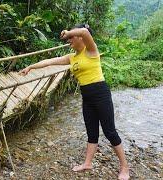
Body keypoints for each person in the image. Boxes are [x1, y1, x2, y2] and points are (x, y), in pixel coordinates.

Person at [18, 24, 130, 180]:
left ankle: (124, 167)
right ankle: (87, 163)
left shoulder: (91, 50)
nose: (69, 40)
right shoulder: (72, 57)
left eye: (71, 37)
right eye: (69, 37)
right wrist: (31, 67)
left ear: (80, 38)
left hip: (100, 93)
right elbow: (50, 61)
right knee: (91, 131)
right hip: (87, 96)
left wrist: (68, 32)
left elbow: (85, 31)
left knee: (109, 131)